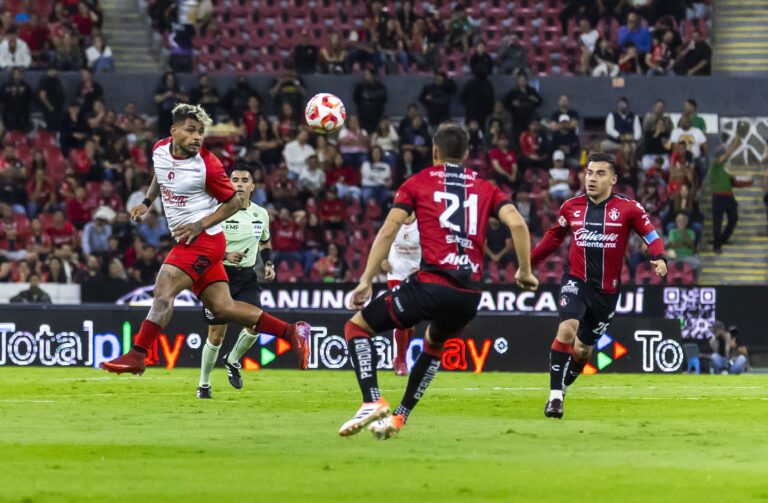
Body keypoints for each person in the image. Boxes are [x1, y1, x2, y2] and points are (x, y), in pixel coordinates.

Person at [337, 122, 538, 440]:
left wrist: (365, 279)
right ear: (466, 154)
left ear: (434, 152)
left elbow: (389, 230)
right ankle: (399, 417)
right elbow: (517, 224)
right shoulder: (486, 188)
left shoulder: (417, 183)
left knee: (356, 328)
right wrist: (524, 271)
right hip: (469, 296)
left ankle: (372, 399)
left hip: (431, 284)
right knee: (434, 343)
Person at [100, 104, 310, 376]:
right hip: (196, 241)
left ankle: (138, 354)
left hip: (203, 241)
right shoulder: (159, 150)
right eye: (191, 130)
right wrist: (147, 202)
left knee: (163, 291)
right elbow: (161, 174)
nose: (197, 137)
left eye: (200, 132)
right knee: (223, 308)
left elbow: (234, 203)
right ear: (173, 131)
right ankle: (292, 332)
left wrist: (200, 225)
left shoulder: (208, 165)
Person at [532, 152, 668, 419]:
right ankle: (555, 397)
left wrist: (660, 257)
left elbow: (651, 235)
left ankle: (564, 385)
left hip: (606, 291)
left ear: (613, 179)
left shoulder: (629, 208)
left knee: (583, 350)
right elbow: (552, 238)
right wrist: (528, 264)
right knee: (567, 328)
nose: (592, 179)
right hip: (576, 280)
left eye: (600, 173)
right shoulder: (571, 207)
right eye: (589, 173)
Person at [197, 165, 275, 398]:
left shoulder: (261, 214)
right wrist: (225, 255)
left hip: (247, 276)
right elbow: (200, 244)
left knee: (256, 324)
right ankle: (204, 385)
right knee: (216, 335)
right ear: (228, 184)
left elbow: (265, 241)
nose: (239, 184)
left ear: (252, 186)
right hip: (218, 276)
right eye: (235, 180)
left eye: (244, 180)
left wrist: (268, 263)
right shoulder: (217, 211)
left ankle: (232, 360)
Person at [380, 213, 420, 376]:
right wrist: (383, 261)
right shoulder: (393, 222)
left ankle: (398, 358)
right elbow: (382, 242)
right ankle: (402, 363)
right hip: (396, 274)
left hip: (415, 275)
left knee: (411, 324)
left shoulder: (423, 224)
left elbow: (433, 247)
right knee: (400, 318)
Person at [710, 138, 752, 253]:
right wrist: (735, 144)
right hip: (718, 197)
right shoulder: (715, 165)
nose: (726, 157)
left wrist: (748, 182)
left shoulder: (725, 169)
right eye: (723, 154)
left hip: (729, 197)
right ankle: (717, 246)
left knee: (733, 218)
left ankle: (723, 239)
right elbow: (727, 155)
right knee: (717, 223)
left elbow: (734, 183)